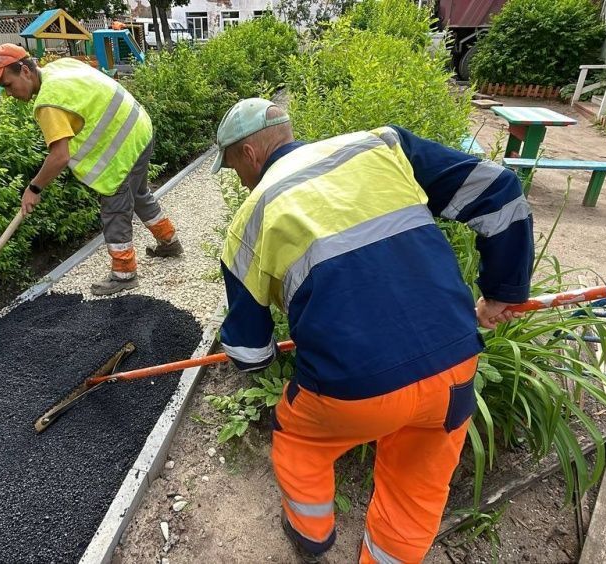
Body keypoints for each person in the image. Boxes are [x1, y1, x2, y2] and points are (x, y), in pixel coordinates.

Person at [213, 98, 534, 563]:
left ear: (248, 154)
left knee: (297, 436)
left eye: (232, 167)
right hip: (455, 362)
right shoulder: (382, 145)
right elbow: (500, 188)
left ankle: (311, 535)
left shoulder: (249, 220)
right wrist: (504, 290)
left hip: (352, 387)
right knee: (416, 487)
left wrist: (261, 354)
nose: (239, 179)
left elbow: (249, 352)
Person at [0, 43, 182, 296]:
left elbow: (59, 156)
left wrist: (33, 188)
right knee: (140, 194)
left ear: (24, 71)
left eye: (8, 85)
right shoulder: (59, 67)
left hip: (122, 149)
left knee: (115, 209)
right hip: (139, 128)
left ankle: (124, 274)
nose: (9, 93)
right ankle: (169, 241)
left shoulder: (48, 105)